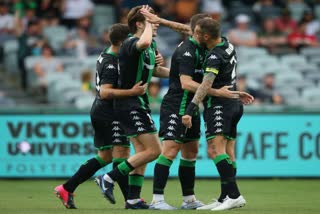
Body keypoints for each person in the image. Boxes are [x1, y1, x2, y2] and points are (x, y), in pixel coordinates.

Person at [54, 23, 147, 209]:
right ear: (121, 42)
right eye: (128, 41)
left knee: (105, 156)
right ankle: (131, 199)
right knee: (122, 152)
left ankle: (67, 187)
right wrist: (131, 91)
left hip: (103, 111)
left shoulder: (112, 55)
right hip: (108, 112)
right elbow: (105, 92)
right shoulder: (111, 62)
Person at [94, 5, 169, 209]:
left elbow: (155, 71)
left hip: (139, 103)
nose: (156, 25)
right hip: (130, 104)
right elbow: (143, 41)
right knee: (154, 150)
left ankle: (133, 199)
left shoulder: (149, 44)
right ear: (139, 24)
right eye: (151, 22)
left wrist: (179, 74)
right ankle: (108, 178)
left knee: (141, 152)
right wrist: (148, 22)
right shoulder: (131, 42)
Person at [182, 18, 252, 211]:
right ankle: (224, 197)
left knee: (214, 150)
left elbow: (206, 84)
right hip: (235, 103)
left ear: (205, 36)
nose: (192, 34)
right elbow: (190, 29)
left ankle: (235, 195)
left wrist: (191, 108)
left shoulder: (214, 56)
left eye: (196, 32)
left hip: (220, 105)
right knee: (229, 152)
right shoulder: (227, 43)